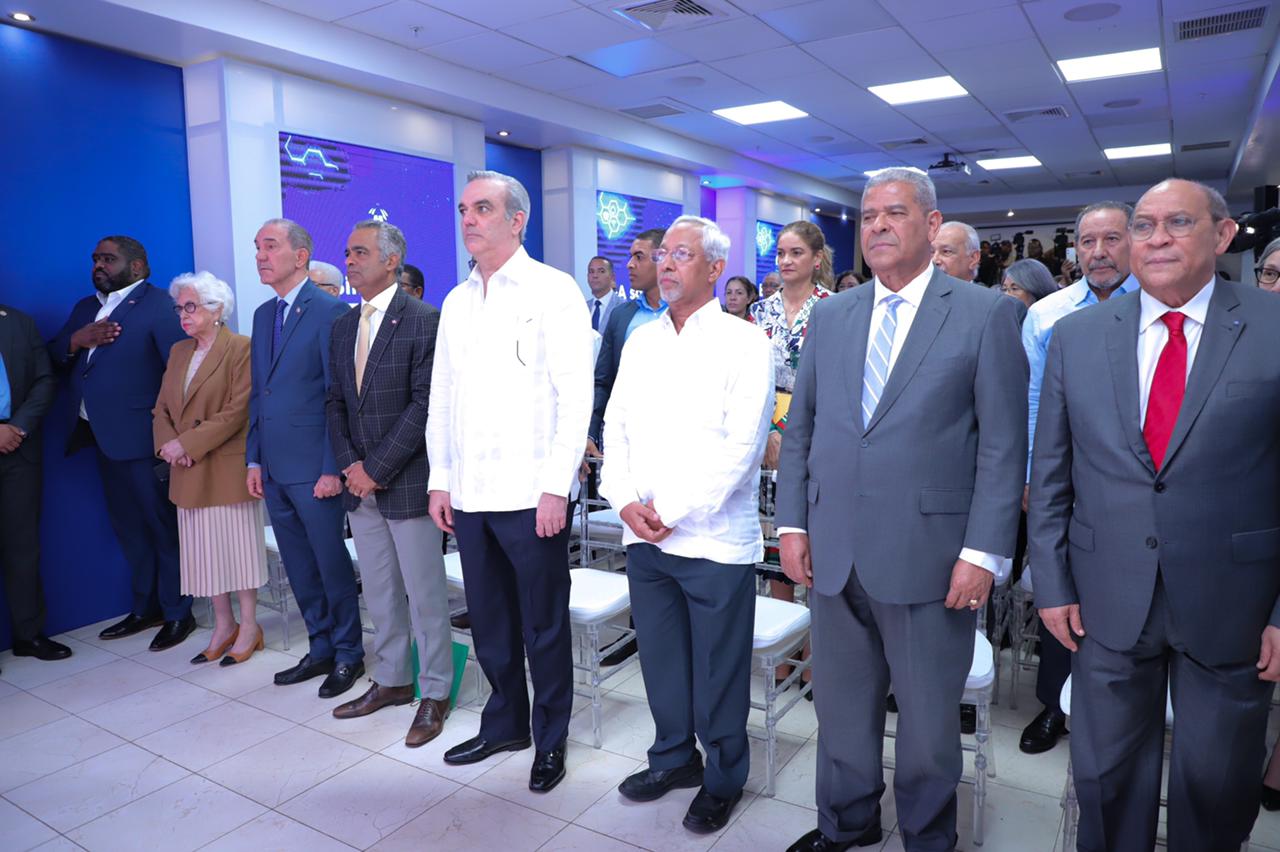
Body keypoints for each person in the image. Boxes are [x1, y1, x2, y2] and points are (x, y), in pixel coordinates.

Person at [777, 168, 1026, 852]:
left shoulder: (984, 314)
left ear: (931, 222)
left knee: (926, 725)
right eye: (868, 216)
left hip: (932, 559)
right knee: (841, 708)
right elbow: (803, 430)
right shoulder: (833, 315)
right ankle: (846, 823)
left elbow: (1003, 446)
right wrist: (792, 523)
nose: (878, 226)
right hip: (835, 550)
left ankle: (926, 836)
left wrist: (983, 553)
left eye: (895, 213)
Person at [1028, 178, 1280, 852]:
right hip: (1105, 597)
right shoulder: (1076, 336)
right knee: (1106, 776)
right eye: (1143, 225)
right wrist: (1051, 583)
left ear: (1223, 235)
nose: (1157, 238)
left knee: (1217, 781)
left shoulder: (1272, 326)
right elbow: (1051, 473)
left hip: (1235, 602)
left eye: (1178, 223)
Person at [602, 215, 773, 835]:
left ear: (715, 268)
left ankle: (723, 778)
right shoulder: (642, 340)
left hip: (712, 540)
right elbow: (615, 426)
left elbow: (741, 449)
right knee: (662, 661)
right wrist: (625, 500)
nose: (667, 263)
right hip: (644, 535)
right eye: (663, 254)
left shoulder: (745, 343)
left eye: (683, 254)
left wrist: (667, 512)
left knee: (718, 671)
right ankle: (673, 758)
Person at [427, 170, 593, 793]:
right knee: (490, 620)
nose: (468, 219)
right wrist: (441, 479)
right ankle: (504, 724)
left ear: (517, 220)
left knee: (543, 624)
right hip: (470, 492)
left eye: (483, 209)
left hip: (531, 494)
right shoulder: (457, 300)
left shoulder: (553, 290)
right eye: (463, 209)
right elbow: (442, 396)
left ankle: (550, 739)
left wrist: (556, 486)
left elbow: (575, 398)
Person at [325, 220, 453, 748]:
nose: (350, 261)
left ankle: (436, 691)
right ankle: (394, 679)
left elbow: (425, 405)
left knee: (425, 596)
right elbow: (335, 402)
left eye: (360, 252)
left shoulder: (424, 319)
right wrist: (351, 465)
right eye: (348, 252)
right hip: (360, 485)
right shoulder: (342, 326)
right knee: (378, 592)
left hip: (407, 481)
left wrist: (375, 468)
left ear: (391, 260)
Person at [1018, 201, 1139, 756]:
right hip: (1066, 477)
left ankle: (1124, 706)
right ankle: (1055, 703)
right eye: (1087, 242)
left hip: (1140, 481)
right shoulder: (1049, 315)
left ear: (1133, 241)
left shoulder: (1157, 303)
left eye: (1111, 239)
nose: (1098, 252)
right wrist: (1031, 476)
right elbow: (1033, 401)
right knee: (1061, 585)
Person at [49, 236, 194, 651]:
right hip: (101, 439)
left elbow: (180, 377)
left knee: (163, 527)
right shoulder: (85, 308)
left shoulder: (160, 305)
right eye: (95, 259)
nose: (98, 265)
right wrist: (76, 341)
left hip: (147, 442)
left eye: (108, 259)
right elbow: (53, 355)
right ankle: (145, 607)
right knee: (129, 529)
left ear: (137, 266)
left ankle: (178, 613)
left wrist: (175, 438)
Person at [247, 218, 364, 699]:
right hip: (275, 466)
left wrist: (332, 467)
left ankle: (349, 653)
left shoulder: (330, 311)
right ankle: (320, 646)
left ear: (300, 256)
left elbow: (339, 397)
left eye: (270, 246)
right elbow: (260, 392)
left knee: (330, 564)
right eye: (257, 247)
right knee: (298, 565)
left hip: (316, 467)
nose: (260, 255)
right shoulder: (262, 315)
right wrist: (253, 459)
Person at [152, 272, 267, 666]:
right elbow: (161, 408)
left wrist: (187, 444)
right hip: (186, 468)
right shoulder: (178, 351)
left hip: (224, 466)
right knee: (205, 556)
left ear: (217, 310)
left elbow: (238, 411)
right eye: (179, 308)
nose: (183, 315)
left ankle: (249, 626)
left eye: (191, 306)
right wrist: (170, 446)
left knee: (238, 554)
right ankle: (224, 625)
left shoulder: (241, 347)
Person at [749, 220, 834, 692]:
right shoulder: (758, 312)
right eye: (780, 253)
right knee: (776, 542)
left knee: (817, 546)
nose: (785, 261)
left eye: (796, 252)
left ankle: (816, 653)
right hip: (767, 436)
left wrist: (801, 435)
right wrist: (765, 433)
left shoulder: (834, 308)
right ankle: (781, 655)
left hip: (821, 433)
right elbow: (746, 380)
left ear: (816, 259)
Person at [0, 304, 69, 664]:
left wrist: (17, 426)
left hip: (19, 450)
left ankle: (28, 636)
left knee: (23, 548)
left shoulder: (19, 323)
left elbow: (45, 380)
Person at [586, 255, 619, 333]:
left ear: (612, 277)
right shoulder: (584, 307)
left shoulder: (622, 306)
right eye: (591, 271)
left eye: (601, 271)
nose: (595, 276)